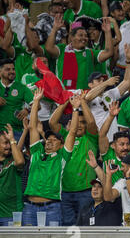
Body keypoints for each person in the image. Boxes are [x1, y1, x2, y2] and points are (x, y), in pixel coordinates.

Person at [22, 88, 78, 226]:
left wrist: (76, 109)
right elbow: (33, 127)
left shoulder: (62, 158)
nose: (49, 141)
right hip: (29, 207)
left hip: (52, 207)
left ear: (61, 145)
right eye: (48, 139)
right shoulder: (36, 152)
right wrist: (36, 102)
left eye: (54, 140)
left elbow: (72, 132)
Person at [48, 92, 99, 226]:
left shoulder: (90, 138)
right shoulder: (65, 137)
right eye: (77, 122)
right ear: (69, 123)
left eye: (83, 123)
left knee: (86, 227)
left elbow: (92, 122)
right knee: (67, 229)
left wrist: (82, 102)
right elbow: (52, 122)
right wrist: (66, 102)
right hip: (65, 192)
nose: (80, 125)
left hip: (86, 191)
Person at [44, 15, 114, 90]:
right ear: (71, 37)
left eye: (86, 36)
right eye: (80, 35)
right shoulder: (62, 50)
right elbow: (48, 47)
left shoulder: (91, 52)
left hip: (86, 97)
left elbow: (108, 53)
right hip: (65, 95)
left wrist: (107, 32)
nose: (84, 38)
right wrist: (55, 29)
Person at [0, 58, 33, 140]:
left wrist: (27, 110)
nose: (12, 71)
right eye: (8, 69)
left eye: (13, 69)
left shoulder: (21, 87)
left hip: (16, 132)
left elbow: (37, 105)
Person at [0, 123, 25, 226]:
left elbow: (20, 162)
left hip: (11, 215)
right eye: (5, 143)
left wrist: (12, 139)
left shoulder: (12, 160)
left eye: (9, 143)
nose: (8, 146)